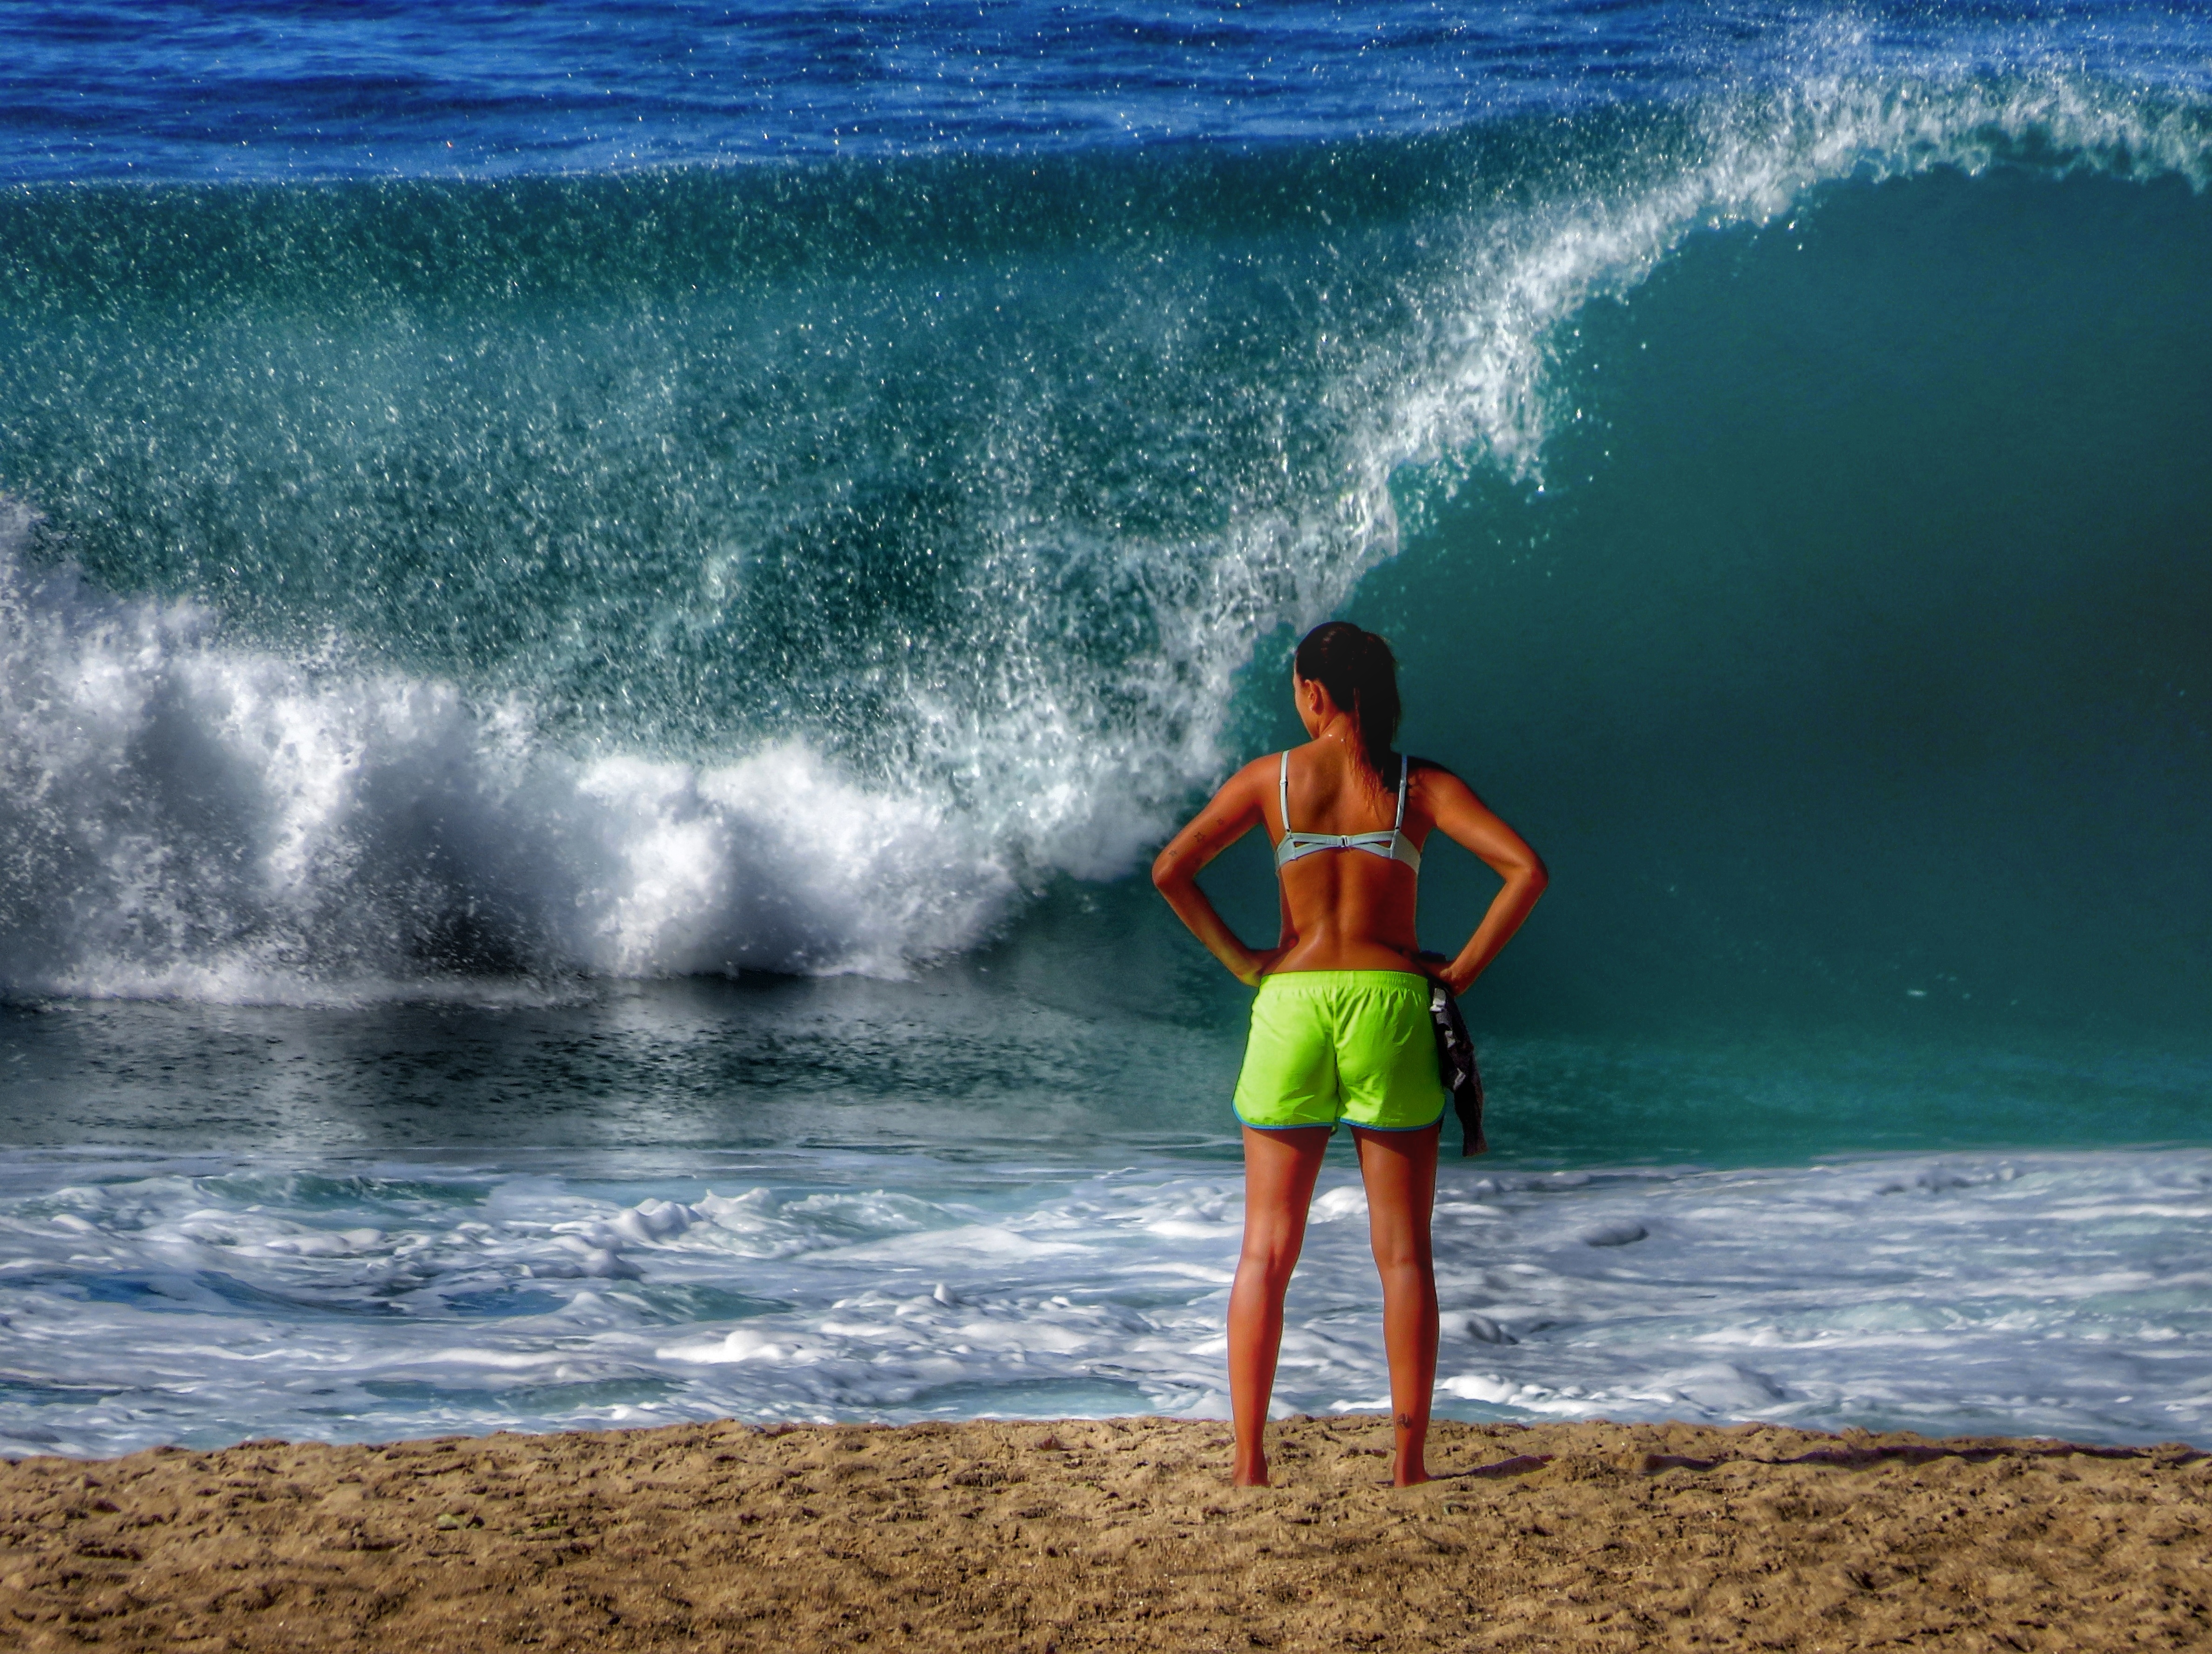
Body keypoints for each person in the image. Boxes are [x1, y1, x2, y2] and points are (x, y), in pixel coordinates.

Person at [1151, 620, 1547, 1487]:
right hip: (1391, 1007)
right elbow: (1525, 870)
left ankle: (1250, 1465)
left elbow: (1172, 870)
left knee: (1265, 1251)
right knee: (1403, 1254)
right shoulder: (1417, 786)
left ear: (1316, 697)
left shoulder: (1272, 781)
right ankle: (1407, 1464)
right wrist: (1463, 974)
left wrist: (1249, 963)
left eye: (1298, 691)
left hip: (1290, 1005)